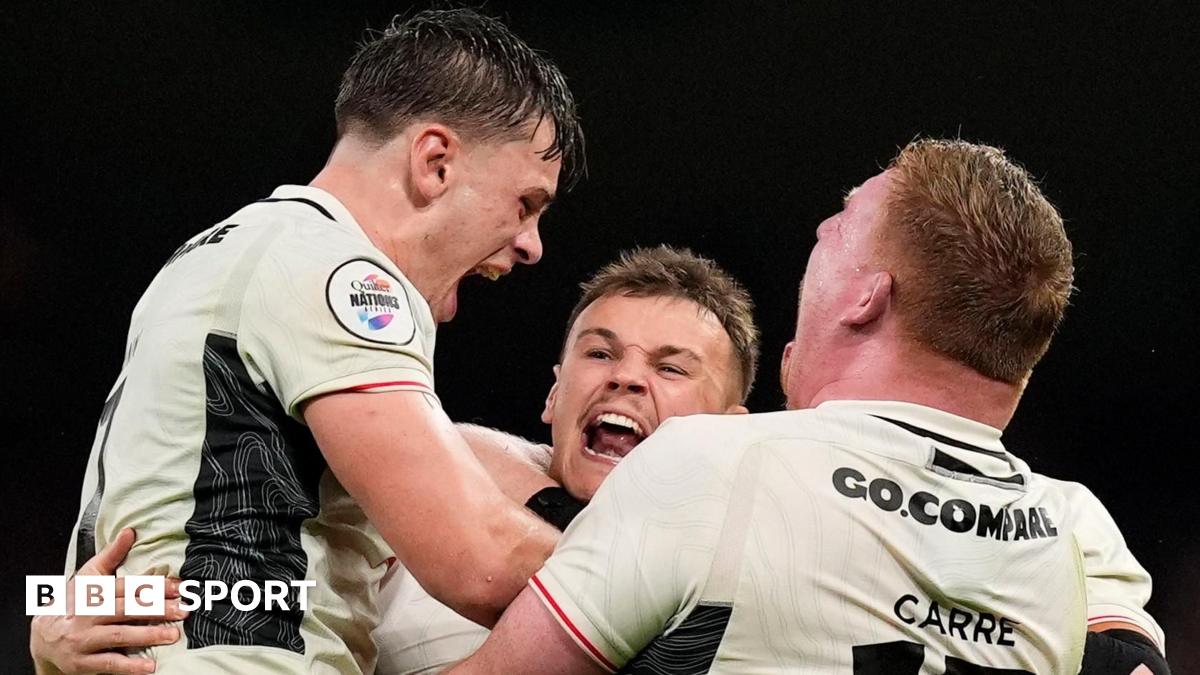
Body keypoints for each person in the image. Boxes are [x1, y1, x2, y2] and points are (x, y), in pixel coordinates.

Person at [446, 139, 1169, 674]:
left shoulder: (713, 466)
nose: (818, 237)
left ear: (868, 296)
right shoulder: (1069, 527)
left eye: (839, 219)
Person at [44, 8, 583, 674]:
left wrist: (47, 632)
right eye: (526, 203)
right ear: (435, 163)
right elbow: (479, 559)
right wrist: (678, 587)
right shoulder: (343, 275)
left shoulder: (211, 254)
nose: (532, 245)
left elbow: (141, 526)